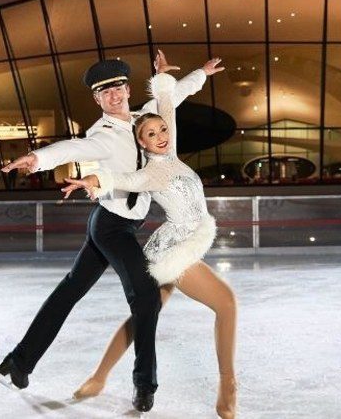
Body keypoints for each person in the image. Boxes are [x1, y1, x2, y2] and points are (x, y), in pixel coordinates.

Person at [0, 51, 222, 412]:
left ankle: (18, 362)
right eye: (105, 92)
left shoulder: (143, 118)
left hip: (120, 223)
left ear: (128, 89)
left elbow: (173, 96)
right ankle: (144, 384)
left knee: (69, 291)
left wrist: (202, 73)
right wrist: (38, 159)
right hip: (112, 227)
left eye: (118, 88)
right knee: (146, 296)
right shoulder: (101, 135)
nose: (114, 96)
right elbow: (73, 147)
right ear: (97, 99)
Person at [61, 65, 237, 419]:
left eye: (162, 130)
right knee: (227, 305)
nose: (160, 135)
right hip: (176, 252)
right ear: (141, 143)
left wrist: (195, 73)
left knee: (145, 313)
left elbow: (169, 98)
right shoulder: (152, 171)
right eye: (151, 134)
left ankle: (98, 377)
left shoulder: (170, 153)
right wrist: (93, 180)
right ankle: (228, 385)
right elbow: (119, 177)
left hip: (169, 243)